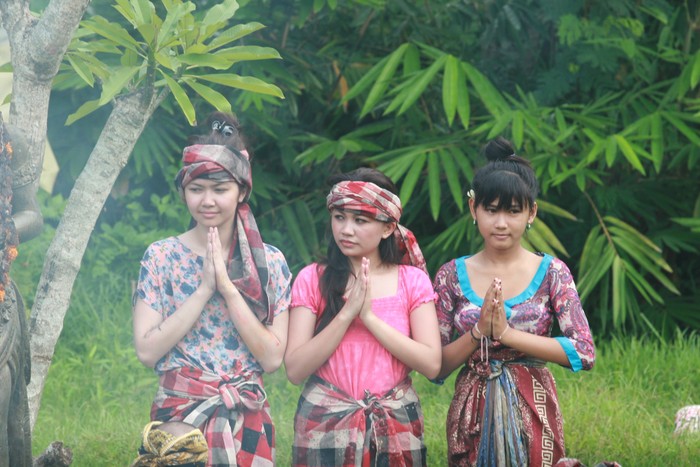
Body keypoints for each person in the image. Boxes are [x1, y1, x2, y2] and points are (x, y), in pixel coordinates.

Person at [132, 112, 291, 467]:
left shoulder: (270, 263)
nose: (207, 201)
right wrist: (204, 289)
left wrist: (229, 290)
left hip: (246, 415)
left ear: (242, 191)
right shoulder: (162, 257)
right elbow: (147, 350)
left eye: (220, 190)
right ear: (183, 192)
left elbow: (272, 359)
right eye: (196, 189)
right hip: (178, 416)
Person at [433, 137, 596, 466]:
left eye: (513, 211)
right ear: (474, 209)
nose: (501, 223)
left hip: (534, 407)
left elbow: (583, 352)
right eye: (491, 210)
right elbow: (436, 366)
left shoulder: (553, 273)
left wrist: (507, 334)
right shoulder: (450, 276)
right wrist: (478, 332)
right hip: (471, 414)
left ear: (531, 212)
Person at [284, 168, 442, 466]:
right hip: (323, 424)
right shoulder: (312, 278)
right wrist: (346, 315)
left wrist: (369, 318)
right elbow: (294, 369)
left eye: (360, 220)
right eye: (339, 217)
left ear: (387, 228)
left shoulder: (411, 281)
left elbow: (431, 364)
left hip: (396, 421)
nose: (346, 230)